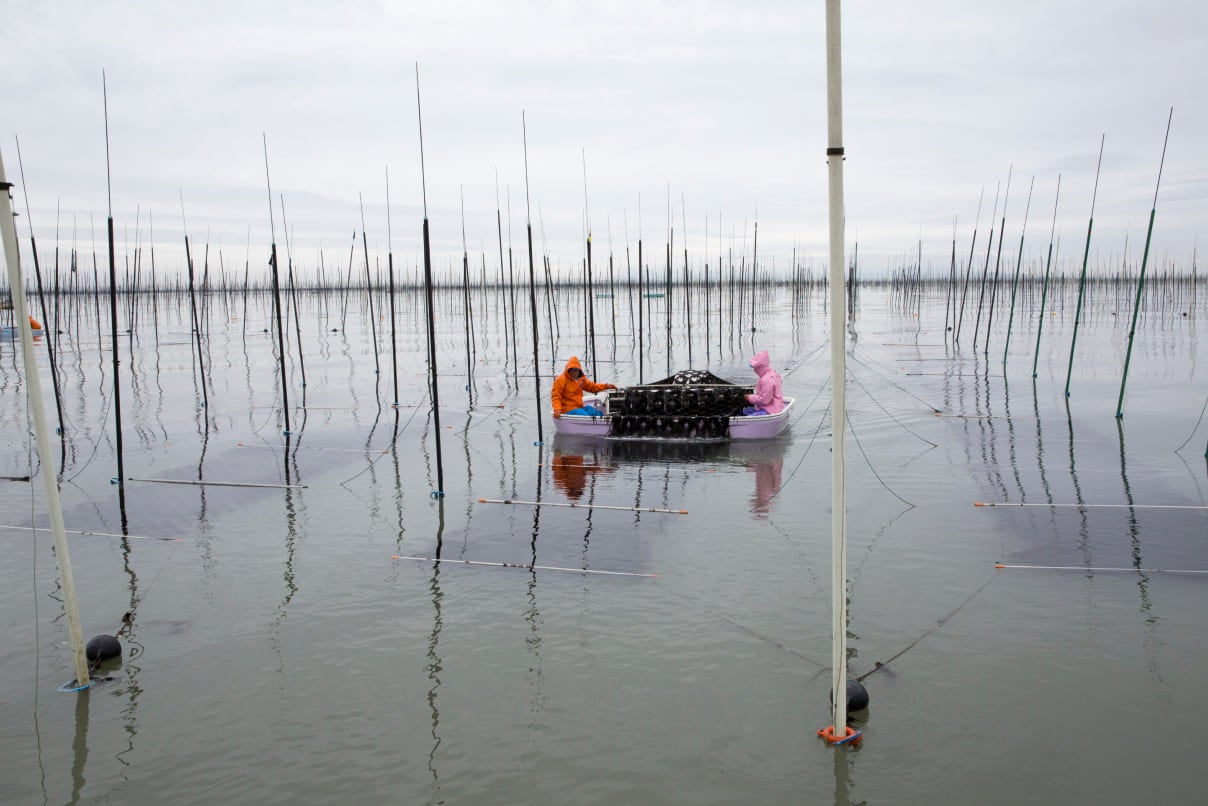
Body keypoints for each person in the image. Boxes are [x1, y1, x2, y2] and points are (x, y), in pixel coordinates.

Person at [551, 356, 616, 418]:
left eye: (576, 370)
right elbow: (556, 395)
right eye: (572, 370)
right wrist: (557, 409)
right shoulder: (561, 379)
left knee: (593, 411)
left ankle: (604, 423)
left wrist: (606, 386)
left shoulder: (581, 380)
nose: (574, 372)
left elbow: (592, 387)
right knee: (584, 415)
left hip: (579, 407)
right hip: (567, 409)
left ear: (579, 370)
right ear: (568, 370)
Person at [743, 350, 784, 416]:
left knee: (748, 416)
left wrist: (749, 397)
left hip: (770, 410)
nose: (754, 370)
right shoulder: (772, 373)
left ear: (759, 367)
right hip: (777, 405)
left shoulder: (766, 380)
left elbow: (764, 400)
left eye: (755, 368)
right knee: (745, 411)